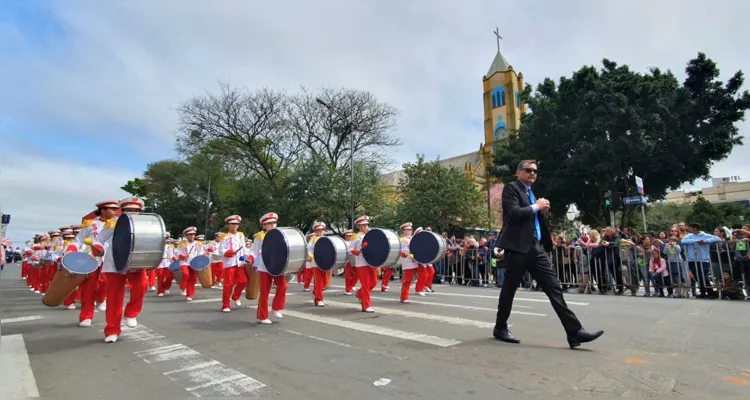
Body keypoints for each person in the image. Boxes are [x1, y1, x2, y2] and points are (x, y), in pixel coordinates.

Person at [493, 160, 603, 349]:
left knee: (554, 288)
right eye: (528, 170)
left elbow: (531, 218)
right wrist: (536, 206)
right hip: (517, 247)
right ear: (518, 172)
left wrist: (541, 210)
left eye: (535, 171)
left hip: (536, 248)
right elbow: (515, 213)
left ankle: (574, 332)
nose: (533, 174)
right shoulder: (511, 189)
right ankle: (500, 327)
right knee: (509, 289)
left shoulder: (530, 193)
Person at [98, 197, 149, 343]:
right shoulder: (113, 223)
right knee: (114, 296)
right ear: (123, 211)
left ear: (140, 212)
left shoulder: (145, 225)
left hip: (136, 262)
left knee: (142, 285)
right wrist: (98, 248)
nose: (133, 213)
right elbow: (99, 240)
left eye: (136, 211)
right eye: (129, 210)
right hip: (114, 262)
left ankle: (131, 312)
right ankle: (112, 330)